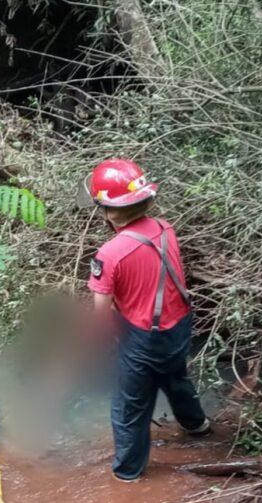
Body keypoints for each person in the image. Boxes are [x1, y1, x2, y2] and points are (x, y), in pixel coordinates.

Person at [85, 158, 211, 482]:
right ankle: (198, 426)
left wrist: (104, 343)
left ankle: (127, 475)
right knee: (175, 377)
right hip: (180, 326)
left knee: (129, 409)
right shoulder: (165, 229)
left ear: (108, 210)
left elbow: (101, 317)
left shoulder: (109, 254)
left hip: (143, 339)